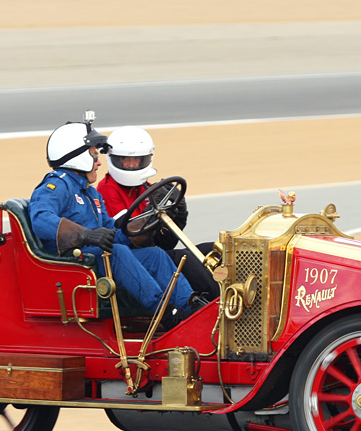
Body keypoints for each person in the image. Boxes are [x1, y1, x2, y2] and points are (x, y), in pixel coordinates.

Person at [29, 117, 197, 321]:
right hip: (71, 263)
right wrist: (86, 235)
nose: (99, 162)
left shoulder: (91, 194)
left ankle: (190, 307)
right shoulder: (58, 185)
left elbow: (112, 232)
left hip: (95, 258)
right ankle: (163, 312)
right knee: (116, 252)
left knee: (155, 255)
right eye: (93, 155)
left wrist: (148, 221)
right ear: (78, 158)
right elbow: (40, 218)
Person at [97, 126, 219, 300]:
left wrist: (178, 213)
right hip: (132, 259)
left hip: (155, 252)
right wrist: (151, 215)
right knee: (185, 259)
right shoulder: (107, 190)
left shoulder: (144, 188)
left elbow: (165, 243)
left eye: (137, 160)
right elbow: (132, 239)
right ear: (114, 159)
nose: (132, 165)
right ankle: (215, 302)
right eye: (125, 159)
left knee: (212, 249)